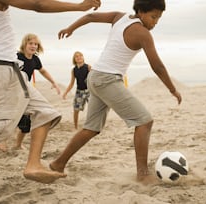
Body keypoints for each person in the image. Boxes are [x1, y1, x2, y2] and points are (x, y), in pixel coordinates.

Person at [50, 0, 182, 184]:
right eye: (153, 17)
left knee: (91, 128)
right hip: (107, 79)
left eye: (159, 18)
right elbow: (157, 66)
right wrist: (173, 89)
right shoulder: (142, 33)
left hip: (95, 77)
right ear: (141, 11)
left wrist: (70, 28)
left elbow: (90, 16)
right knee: (144, 121)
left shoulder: (119, 17)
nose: (155, 22)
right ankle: (143, 174)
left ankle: (58, 163)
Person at [0, 0, 101, 184]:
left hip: (9, 67)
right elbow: (38, 4)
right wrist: (79, 7)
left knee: (46, 114)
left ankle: (33, 165)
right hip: (1, 66)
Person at [14, 33, 61, 150]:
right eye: (31, 43)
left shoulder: (35, 59)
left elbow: (43, 71)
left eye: (36, 44)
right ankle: (2, 142)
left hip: (25, 92)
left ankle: (18, 145)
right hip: (13, 91)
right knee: (8, 117)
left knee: (26, 122)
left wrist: (53, 82)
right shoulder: (16, 57)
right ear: (25, 44)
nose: (33, 46)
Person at [62, 51, 91, 129]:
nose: (79, 57)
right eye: (77, 56)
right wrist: (65, 93)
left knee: (92, 109)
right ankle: (75, 127)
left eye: (80, 55)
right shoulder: (74, 70)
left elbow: (94, 79)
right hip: (79, 92)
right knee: (76, 109)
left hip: (89, 91)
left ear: (83, 57)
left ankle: (91, 125)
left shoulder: (88, 67)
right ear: (74, 59)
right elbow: (72, 83)